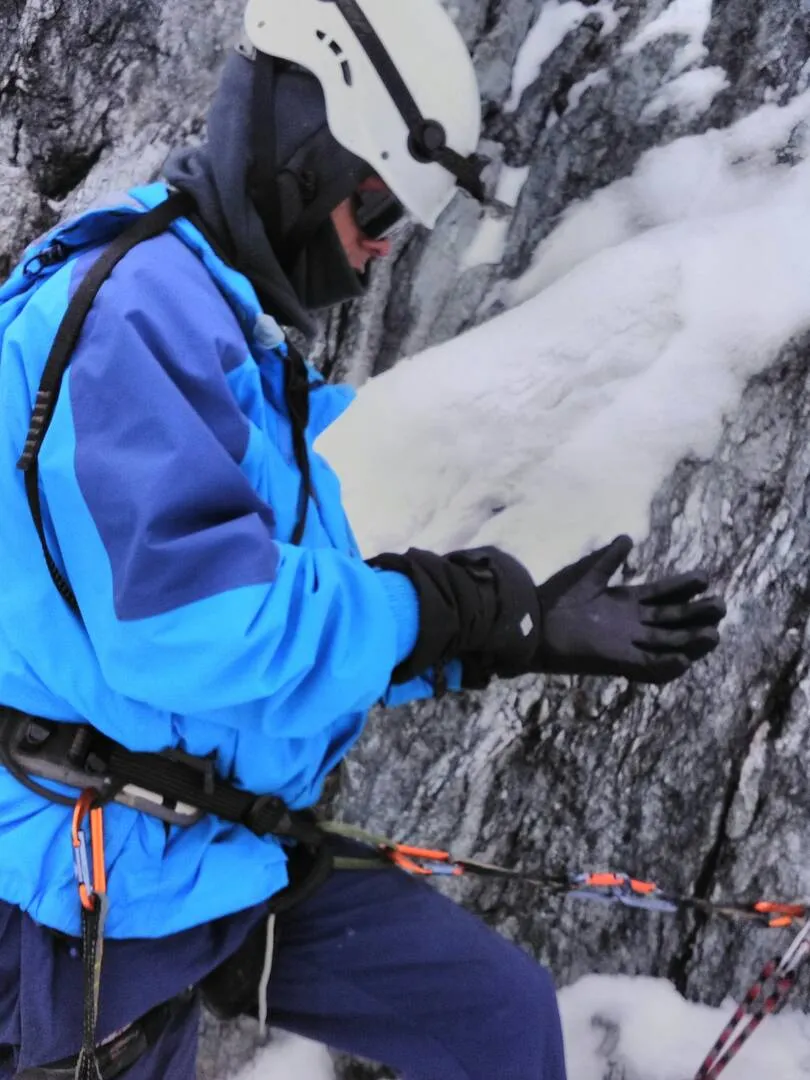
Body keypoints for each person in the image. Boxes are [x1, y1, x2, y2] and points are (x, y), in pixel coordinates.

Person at [0, 0, 725, 1077]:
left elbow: (283, 620)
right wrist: (450, 604)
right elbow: (207, 632)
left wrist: (499, 634)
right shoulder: (132, 319)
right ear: (306, 154)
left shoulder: (222, 327)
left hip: (222, 842)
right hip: (91, 876)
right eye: (374, 211)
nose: (378, 255)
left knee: (497, 1019)